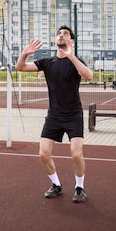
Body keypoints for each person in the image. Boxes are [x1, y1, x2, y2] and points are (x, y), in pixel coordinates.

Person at [16, 25, 93, 203]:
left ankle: (80, 188)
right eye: (59, 33)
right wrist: (25, 53)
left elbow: (88, 75)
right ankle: (56, 185)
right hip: (54, 115)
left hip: (73, 114)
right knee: (43, 154)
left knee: (76, 154)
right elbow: (20, 67)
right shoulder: (47, 62)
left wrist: (72, 57)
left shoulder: (76, 61)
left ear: (71, 41)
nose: (61, 35)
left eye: (65, 33)